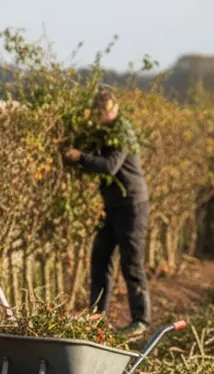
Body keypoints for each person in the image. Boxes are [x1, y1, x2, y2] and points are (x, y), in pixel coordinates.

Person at [63, 85, 151, 339]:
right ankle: (97, 317)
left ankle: (141, 320)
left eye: (107, 110)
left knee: (131, 262)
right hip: (112, 205)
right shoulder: (102, 133)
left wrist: (80, 157)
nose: (104, 114)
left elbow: (110, 166)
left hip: (132, 204)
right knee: (100, 257)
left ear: (114, 109)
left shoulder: (122, 132)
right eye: (100, 110)